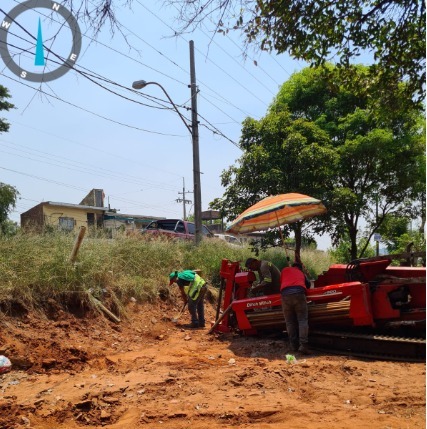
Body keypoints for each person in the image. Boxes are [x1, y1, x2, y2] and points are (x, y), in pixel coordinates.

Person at [280, 262, 311, 355]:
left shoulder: (284, 270)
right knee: (302, 320)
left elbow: (282, 283)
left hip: (285, 295)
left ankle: (293, 345)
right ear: (299, 268)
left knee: (289, 322)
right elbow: (308, 285)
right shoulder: (301, 273)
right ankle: (303, 345)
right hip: (299, 294)